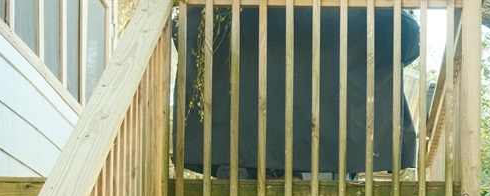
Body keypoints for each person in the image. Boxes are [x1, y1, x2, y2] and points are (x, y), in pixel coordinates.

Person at [176, 5, 421, 178]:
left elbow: (184, 38)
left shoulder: (220, 12)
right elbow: (409, 40)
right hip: (336, 141)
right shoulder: (369, 13)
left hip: (240, 144)